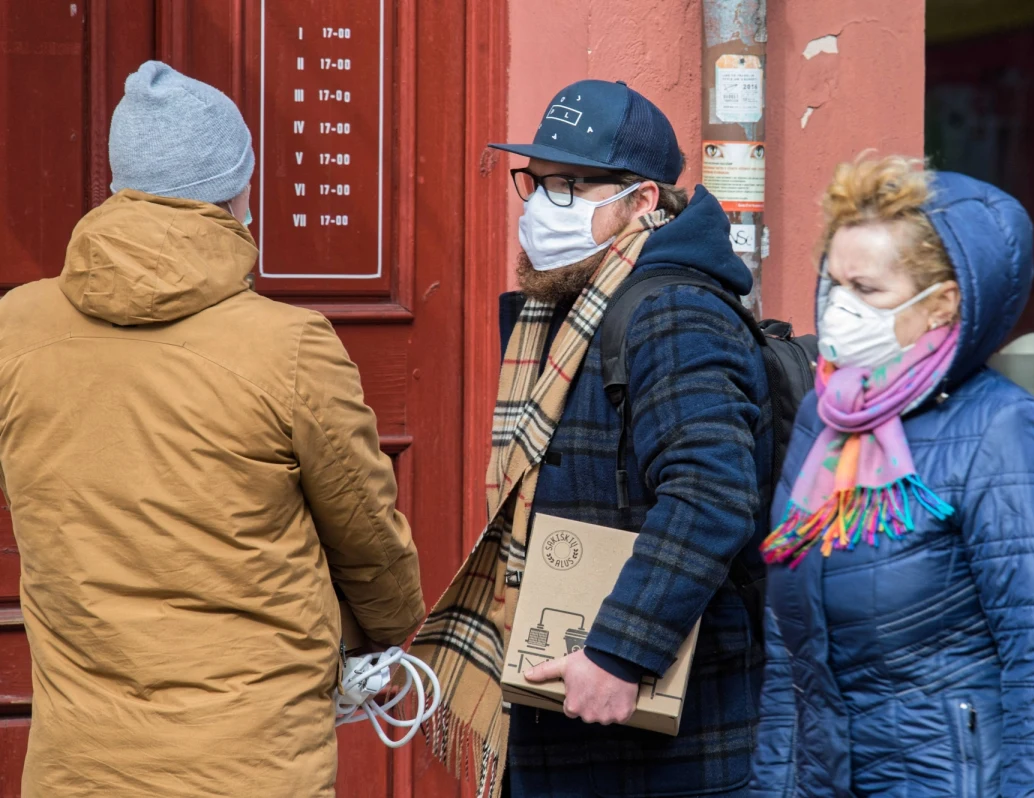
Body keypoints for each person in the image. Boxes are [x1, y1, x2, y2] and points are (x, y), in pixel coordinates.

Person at [0, 61, 424, 797]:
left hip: (81, 759)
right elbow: (364, 530)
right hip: (247, 757)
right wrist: (386, 630)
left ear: (119, 185)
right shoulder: (289, 346)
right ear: (237, 190)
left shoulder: (17, 326)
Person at [410, 79, 773, 797]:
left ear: (643, 201)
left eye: (572, 186)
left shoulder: (673, 312)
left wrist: (619, 653)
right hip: (577, 722)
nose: (544, 208)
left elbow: (712, 493)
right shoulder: (573, 306)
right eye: (538, 183)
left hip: (658, 742)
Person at [748, 156, 1034, 797]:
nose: (839, 310)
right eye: (834, 285)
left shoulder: (1003, 430)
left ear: (941, 304)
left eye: (867, 289)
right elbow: (788, 661)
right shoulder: (824, 422)